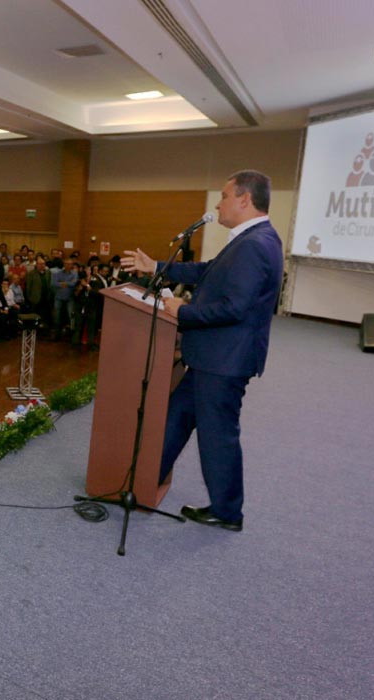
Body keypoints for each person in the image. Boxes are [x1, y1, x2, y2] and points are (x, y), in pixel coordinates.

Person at [121, 170, 284, 532]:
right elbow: (208, 272)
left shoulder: (256, 244)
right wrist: (159, 267)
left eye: (224, 196)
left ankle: (227, 513)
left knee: (218, 436)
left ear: (244, 199)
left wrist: (183, 312)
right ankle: (143, 483)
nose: (218, 203)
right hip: (212, 358)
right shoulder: (251, 239)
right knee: (175, 417)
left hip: (223, 362)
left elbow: (234, 307)